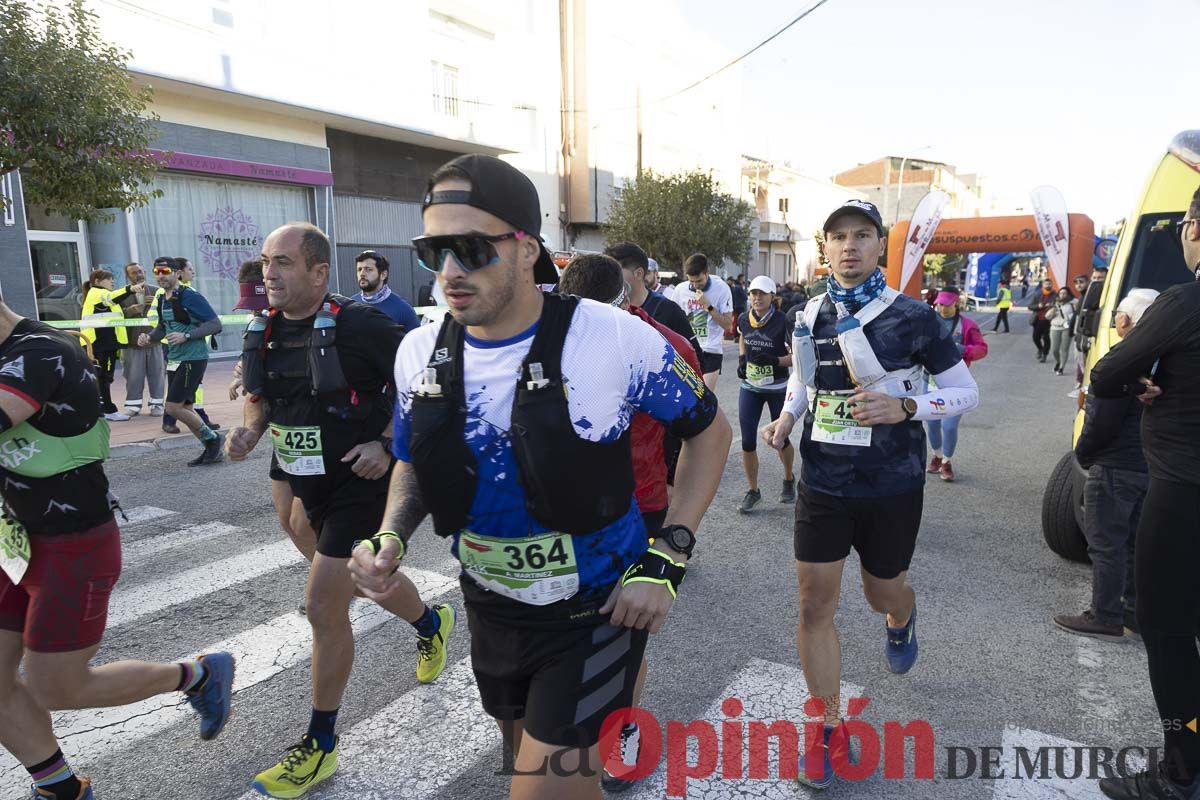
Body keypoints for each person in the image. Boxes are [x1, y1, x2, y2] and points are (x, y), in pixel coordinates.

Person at [349, 154, 731, 800]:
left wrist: (669, 554)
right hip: (490, 604)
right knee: (522, 757)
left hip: (594, 610)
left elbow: (710, 432)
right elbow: (413, 459)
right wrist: (389, 535)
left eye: (469, 248)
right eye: (433, 251)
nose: (449, 272)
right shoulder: (421, 349)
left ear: (527, 250)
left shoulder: (610, 338)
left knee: (539, 791)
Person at [226, 222, 453, 797]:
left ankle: (320, 745)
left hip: (359, 473)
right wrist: (249, 434)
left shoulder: (364, 325)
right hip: (298, 469)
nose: (268, 274)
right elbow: (260, 400)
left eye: (282, 263)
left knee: (323, 603)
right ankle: (429, 622)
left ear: (319, 271)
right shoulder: (264, 329)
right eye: (265, 262)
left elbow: (425, 385)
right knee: (359, 576)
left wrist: (385, 441)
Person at [762, 199, 979, 790]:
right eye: (838, 237)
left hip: (893, 484)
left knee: (881, 591)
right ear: (824, 246)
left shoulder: (912, 316)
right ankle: (827, 730)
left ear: (879, 245)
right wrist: (786, 419)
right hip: (823, 480)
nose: (849, 246)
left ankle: (902, 617)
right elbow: (806, 379)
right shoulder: (807, 313)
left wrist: (906, 405)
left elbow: (965, 393)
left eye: (861, 235)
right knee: (814, 606)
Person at [0, 298, 234, 800]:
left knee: (55, 687)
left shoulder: (37, 353)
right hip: (14, 542)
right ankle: (62, 791)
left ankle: (197, 675)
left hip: (72, 547)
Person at [1092, 188, 1200, 800]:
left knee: (1165, 630)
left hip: (1184, 490)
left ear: (1193, 228)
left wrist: (1143, 377)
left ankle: (1180, 771)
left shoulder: (1184, 300)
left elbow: (1107, 372)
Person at [1054, 288, 1158, 643]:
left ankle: (1105, 615)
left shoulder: (1120, 361)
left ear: (1124, 320)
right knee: (1132, 542)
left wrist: (1081, 454)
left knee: (1106, 544)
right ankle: (1132, 612)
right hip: (1151, 465)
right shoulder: (1164, 361)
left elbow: (1099, 421)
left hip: (1114, 465)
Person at [137, 259, 224, 466]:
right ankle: (210, 449)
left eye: (165, 271)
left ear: (177, 273)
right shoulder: (163, 299)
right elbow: (162, 328)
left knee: (173, 407)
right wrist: (148, 337)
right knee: (186, 406)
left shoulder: (189, 295)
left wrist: (188, 335)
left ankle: (213, 439)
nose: (160, 275)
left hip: (193, 358)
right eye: (156, 272)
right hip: (174, 359)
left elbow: (214, 324)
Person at [736, 275, 796, 512]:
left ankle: (789, 479)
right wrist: (742, 358)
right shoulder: (744, 317)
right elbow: (743, 335)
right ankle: (753, 490)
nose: (757, 298)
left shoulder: (783, 321)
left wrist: (776, 361)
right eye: (753, 293)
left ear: (773, 297)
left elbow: (796, 356)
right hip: (750, 387)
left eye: (762, 293)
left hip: (777, 388)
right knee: (748, 441)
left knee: (780, 439)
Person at [925, 288, 987, 482]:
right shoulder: (928, 322)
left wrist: (963, 349)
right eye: (940, 304)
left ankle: (947, 461)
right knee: (932, 424)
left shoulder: (967, 325)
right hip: (931, 382)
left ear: (956, 304)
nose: (942, 308)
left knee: (949, 426)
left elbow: (982, 349)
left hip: (956, 384)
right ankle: (936, 455)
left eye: (947, 304)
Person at [605, 241, 702, 359]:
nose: (609, 277)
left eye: (615, 271)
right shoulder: (606, 311)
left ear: (638, 274)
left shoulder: (668, 311)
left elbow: (695, 358)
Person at [80, 269, 139, 422]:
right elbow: (112, 298)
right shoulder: (96, 292)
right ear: (98, 281)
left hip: (105, 345)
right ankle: (108, 410)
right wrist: (130, 289)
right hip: (98, 345)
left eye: (112, 279)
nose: (112, 282)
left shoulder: (98, 294)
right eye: (109, 279)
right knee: (102, 379)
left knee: (104, 379)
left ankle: (103, 409)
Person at [674, 253, 734, 390]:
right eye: (691, 281)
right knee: (687, 397)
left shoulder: (722, 289)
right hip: (687, 348)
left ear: (707, 273)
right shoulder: (680, 290)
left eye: (699, 281)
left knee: (704, 397)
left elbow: (727, 325)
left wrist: (709, 306)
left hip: (710, 351)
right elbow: (673, 319)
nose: (695, 286)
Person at [115, 262, 166, 417]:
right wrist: (128, 311)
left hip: (154, 340)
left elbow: (169, 313)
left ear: (145, 272)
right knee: (133, 375)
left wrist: (158, 305)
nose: (138, 275)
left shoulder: (158, 292)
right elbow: (113, 315)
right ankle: (133, 405)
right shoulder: (121, 294)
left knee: (157, 374)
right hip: (132, 342)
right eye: (133, 272)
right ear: (127, 276)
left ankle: (157, 405)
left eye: (140, 271)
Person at [352, 250, 420, 331]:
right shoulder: (351, 304)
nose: (362, 274)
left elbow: (417, 342)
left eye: (368, 269)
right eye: (359, 269)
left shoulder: (403, 309)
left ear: (383, 275)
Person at [1047, 286, 1078, 375]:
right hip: (1055, 327)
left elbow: (1077, 314)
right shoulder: (1054, 303)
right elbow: (1047, 317)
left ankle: (1061, 367)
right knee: (1054, 349)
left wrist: (1073, 314)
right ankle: (1058, 361)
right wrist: (1052, 311)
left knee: (1064, 349)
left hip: (1067, 328)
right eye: (1061, 293)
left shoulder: (1073, 303)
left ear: (1068, 294)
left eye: (1064, 293)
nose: (1062, 295)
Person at [1028, 278, 1055, 362]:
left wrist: (1052, 306)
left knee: (1047, 339)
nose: (1048, 286)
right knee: (1035, 337)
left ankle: (1044, 354)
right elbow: (1030, 306)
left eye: (1049, 284)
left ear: (1052, 285)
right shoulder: (1037, 294)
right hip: (1038, 320)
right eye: (1046, 284)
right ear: (1043, 285)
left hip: (1049, 321)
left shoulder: (1055, 294)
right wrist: (1038, 306)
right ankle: (1040, 348)